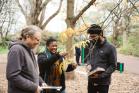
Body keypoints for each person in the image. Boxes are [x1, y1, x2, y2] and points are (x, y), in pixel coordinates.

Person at [6, 25, 46, 93]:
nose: (38, 42)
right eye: (37, 39)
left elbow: (31, 73)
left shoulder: (30, 51)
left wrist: (41, 82)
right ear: (27, 37)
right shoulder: (16, 50)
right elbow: (12, 76)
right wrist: (34, 88)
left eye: (39, 40)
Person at [86, 24, 117, 93]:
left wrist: (101, 76)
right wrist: (88, 64)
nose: (91, 39)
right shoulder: (92, 44)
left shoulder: (111, 47)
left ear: (100, 34)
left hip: (103, 83)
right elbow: (88, 57)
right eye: (90, 37)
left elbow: (113, 66)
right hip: (91, 80)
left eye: (94, 36)